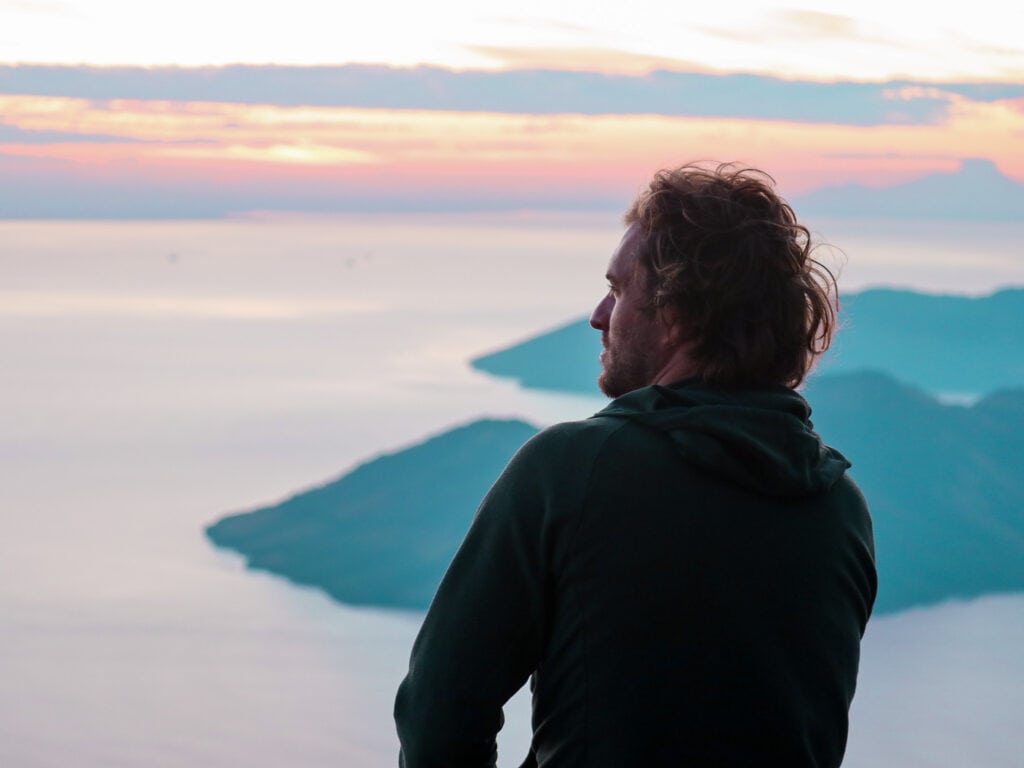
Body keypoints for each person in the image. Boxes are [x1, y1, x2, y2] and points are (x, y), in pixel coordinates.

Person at [394, 162, 877, 768]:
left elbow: (439, 712)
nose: (599, 315)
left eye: (619, 291)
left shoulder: (571, 470)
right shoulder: (838, 506)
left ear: (678, 315)